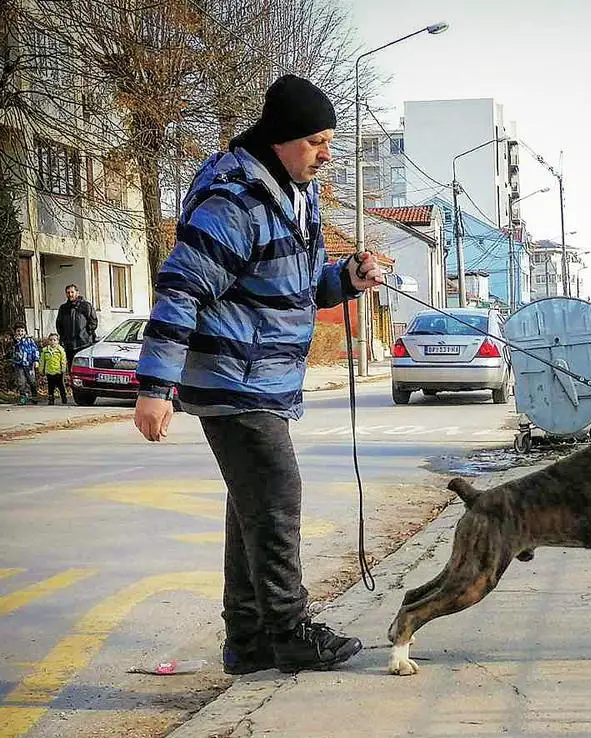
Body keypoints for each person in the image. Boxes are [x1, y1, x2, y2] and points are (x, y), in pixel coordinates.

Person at [134, 74, 383, 677]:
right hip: (231, 378)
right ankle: (290, 632)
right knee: (276, 495)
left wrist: (346, 279)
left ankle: (248, 640)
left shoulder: (297, 194)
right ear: (280, 139)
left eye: (328, 141)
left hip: (264, 380)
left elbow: (293, 290)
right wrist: (155, 387)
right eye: (315, 142)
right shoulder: (234, 201)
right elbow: (181, 288)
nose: (325, 155)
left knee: (253, 504)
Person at [55, 284, 98, 369]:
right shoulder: (63, 308)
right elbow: (59, 324)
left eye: (72, 292)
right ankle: (72, 382)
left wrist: (86, 333)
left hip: (84, 343)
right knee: (71, 367)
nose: (70, 294)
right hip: (69, 344)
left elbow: (93, 321)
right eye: (68, 292)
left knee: (84, 367)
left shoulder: (86, 306)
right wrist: (63, 337)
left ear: (77, 293)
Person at [11, 324, 40, 404]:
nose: (20, 333)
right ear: (15, 332)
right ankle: (23, 396)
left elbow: (35, 350)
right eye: (18, 331)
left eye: (22, 331)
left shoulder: (29, 340)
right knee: (21, 381)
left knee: (31, 380)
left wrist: (36, 360)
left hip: (29, 364)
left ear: (25, 332)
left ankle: (34, 395)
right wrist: (17, 342)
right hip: (19, 364)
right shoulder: (14, 341)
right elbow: (12, 352)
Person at [40, 334, 68, 404]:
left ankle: (64, 397)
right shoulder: (45, 351)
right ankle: (51, 399)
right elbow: (42, 361)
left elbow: (63, 360)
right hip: (49, 372)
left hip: (58, 372)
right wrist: (41, 370)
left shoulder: (60, 350)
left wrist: (63, 369)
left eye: (54, 340)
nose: (52, 341)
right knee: (50, 387)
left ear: (58, 341)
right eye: (50, 340)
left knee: (61, 386)